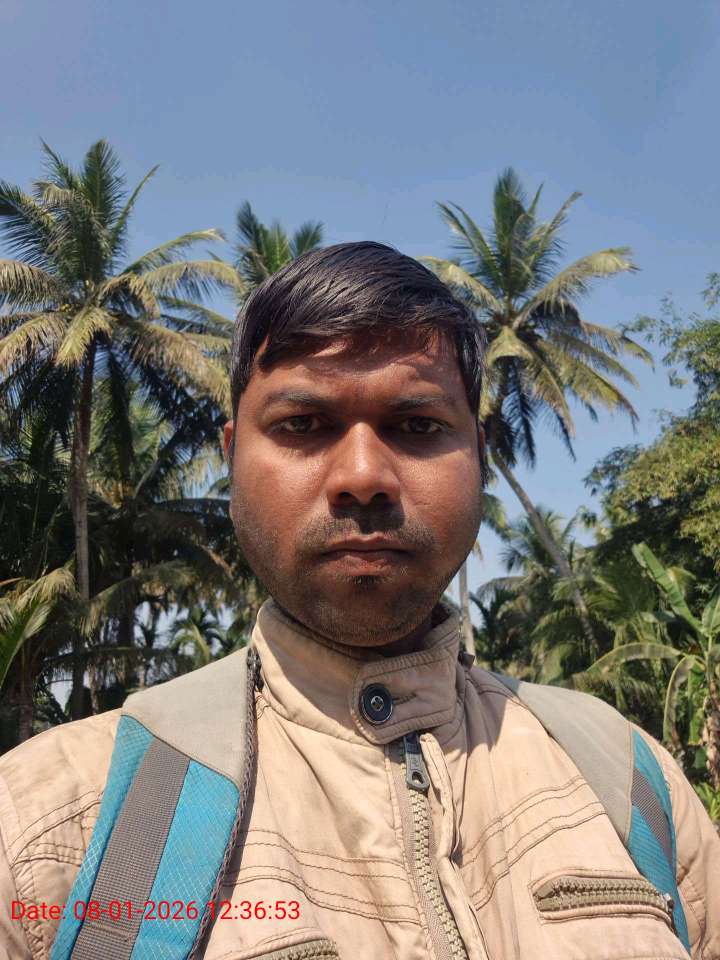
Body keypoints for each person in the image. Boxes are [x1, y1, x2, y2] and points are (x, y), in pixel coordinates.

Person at [0, 241, 718, 960]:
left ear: (479, 453)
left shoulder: (627, 780)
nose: (364, 476)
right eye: (303, 425)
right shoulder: (49, 826)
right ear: (232, 456)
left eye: (417, 426)